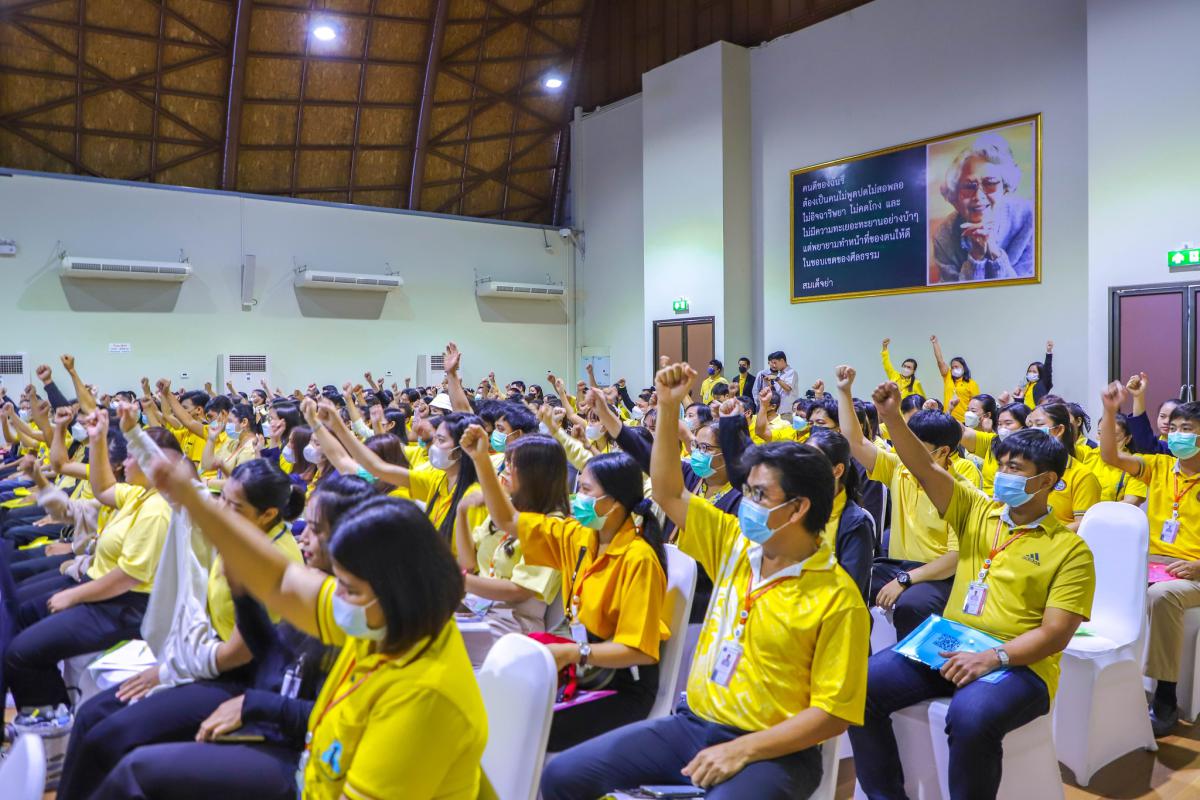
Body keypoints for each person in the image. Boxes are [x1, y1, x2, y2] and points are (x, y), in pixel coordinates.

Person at [540, 361, 868, 800]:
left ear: (798, 508)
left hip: (774, 751)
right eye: (746, 491)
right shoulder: (734, 542)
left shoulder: (837, 598)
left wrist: (744, 749)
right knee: (562, 776)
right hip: (693, 725)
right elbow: (668, 491)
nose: (746, 503)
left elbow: (833, 714)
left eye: (759, 495)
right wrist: (668, 407)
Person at [144, 448, 488, 799]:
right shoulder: (388, 619)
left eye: (349, 589)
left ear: (394, 592)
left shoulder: (425, 697)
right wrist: (192, 500)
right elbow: (280, 583)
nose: (338, 597)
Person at [850, 381, 1094, 800]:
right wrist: (891, 417)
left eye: (1016, 469)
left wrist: (992, 657)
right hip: (951, 642)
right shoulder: (979, 511)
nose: (1003, 475)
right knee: (860, 685)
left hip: (1019, 664)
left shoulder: (1071, 550)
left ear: (1047, 480)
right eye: (1002, 466)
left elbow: (1056, 634)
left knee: (970, 716)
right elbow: (924, 468)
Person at [462, 425, 668, 752]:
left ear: (614, 504)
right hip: (583, 665)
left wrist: (575, 652)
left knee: (521, 726)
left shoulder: (638, 559)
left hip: (621, 685)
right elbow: (509, 521)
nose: (576, 498)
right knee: (497, 706)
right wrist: (481, 460)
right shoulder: (581, 536)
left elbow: (640, 651)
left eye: (585, 490)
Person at [4, 411, 177, 738]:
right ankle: (51, 710)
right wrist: (97, 440)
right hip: (100, 587)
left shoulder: (157, 510)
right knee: (22, 615)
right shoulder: (138, 493)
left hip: (125, 606)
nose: (125, 463)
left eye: (131, 457)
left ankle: (54, 726)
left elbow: (129, 576)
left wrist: (74, 594)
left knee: (21, 653)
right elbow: (103, 487)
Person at [1098, 384, 1200, 736]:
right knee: (1100, 574)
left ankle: (1165, 698)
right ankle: (1107, 677)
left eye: (1188, 429)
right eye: (1176, 428)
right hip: (1154, 563)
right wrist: (1110, 411)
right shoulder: (1159, 467)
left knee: (1162, 595)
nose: (1178, 434)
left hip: (1193, 572)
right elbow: (1111, 457)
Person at [836, 367, 965, 639]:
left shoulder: (960, 490)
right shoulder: (900, 468)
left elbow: (955, 559)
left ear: (942, 451)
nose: (905, 450)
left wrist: (905, 580)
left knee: (910, 605)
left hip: (938, 574)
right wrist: (844, 391)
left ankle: (910, 663)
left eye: (914, 444)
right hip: (895, 564)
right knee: (841, 582)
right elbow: (855, 442)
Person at [453, 434, 565, 667]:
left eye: (512, 466)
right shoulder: (508, 510)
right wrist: (461, 512)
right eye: (505, 462)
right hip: (480, 611)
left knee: (434, 642)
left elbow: (519, 591)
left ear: (535, 475)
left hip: (514, 626)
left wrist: (459, 581)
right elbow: (468, 564)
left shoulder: (551, 526)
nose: (504, 471)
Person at [930, 132, 1035, 282]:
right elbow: (955, 294)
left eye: (990, 183)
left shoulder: (1030, 219)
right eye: (968, 186)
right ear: (955, 194)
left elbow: (1024, 291)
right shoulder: (944, 235)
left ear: (1005, 187)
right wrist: (976, 257)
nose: (978, 196)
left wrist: (994, 253)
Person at [807, 428, 875, 604]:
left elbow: (849, 593)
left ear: (837, 471)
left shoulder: (855, 523)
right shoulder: (798, 509)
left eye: (814, 462)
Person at [1026, 402, 1100, 532]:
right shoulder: (1027, 469)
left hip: (1059, 541)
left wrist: (1043, 535)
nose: (1032, 430)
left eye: (1039, 424)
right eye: (1030, 425)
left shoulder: (1082, 476)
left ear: (1059, 430)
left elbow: (1083, 524)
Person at [931, 335, 979, 424]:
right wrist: (935, 343)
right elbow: (940, 361)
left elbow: (976, 405)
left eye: (956, 367)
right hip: (947, 418)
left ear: (963, 367)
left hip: (964, 422)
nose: (954, 369)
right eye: (952, 367)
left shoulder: (971, 383)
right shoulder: (948, 377)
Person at [1015, 341, 1054, 409]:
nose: (1031, 373)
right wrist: (1018, 398)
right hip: (1026, 413)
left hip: (1038, 413)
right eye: (1029, 371)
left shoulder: (1042, 383)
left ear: (1041, 374)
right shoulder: (1027, 385)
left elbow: (1047, 370)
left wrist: (1049, 352)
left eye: (1034, 372)